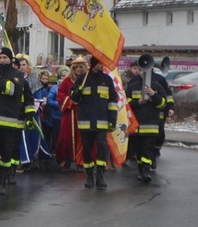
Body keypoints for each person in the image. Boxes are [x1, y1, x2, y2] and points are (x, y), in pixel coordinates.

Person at [0, 47, 35, 196]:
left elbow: (13, 90)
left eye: (5, 58)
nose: (2, 60)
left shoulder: (17, 75)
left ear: (10, 59)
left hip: (8, 120)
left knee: (7, 153)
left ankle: (3, 182)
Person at [69, 57, 118, 190]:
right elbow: (73, 96)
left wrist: (112, 120)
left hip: (102, 121)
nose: (103, 65)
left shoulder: (107, 80)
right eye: (101, 63)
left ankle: (100, 176)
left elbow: (113, 101)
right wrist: (77, 91)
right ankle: (90, 176)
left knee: (102, 147)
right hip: (86, 121)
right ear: (94, 64)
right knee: (87, 149)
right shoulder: (83, 79)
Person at [126, 65, 167, 182]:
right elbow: (127, 104)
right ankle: (140, 170)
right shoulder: (133, 86)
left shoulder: (156, 86)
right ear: (138, 71)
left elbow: (163, 104)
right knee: (138, 150)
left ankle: (146, 171)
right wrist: (138, 102)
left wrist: (153, 95)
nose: (142, 73)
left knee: (147, 149)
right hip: (136, 125)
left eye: (145, 71)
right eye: (140, 70)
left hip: (151, 125)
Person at [54, 57, 87, 169]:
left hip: (84, 113)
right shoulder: (67, 81)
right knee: (66, 138)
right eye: (76, 67)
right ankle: (66, 158)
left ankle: (80, 162)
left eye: (80, 67)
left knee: (82, 139)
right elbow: (60, 95)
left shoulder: (87, 80)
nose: (78, 69)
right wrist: (70, 100)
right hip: (70, 113)